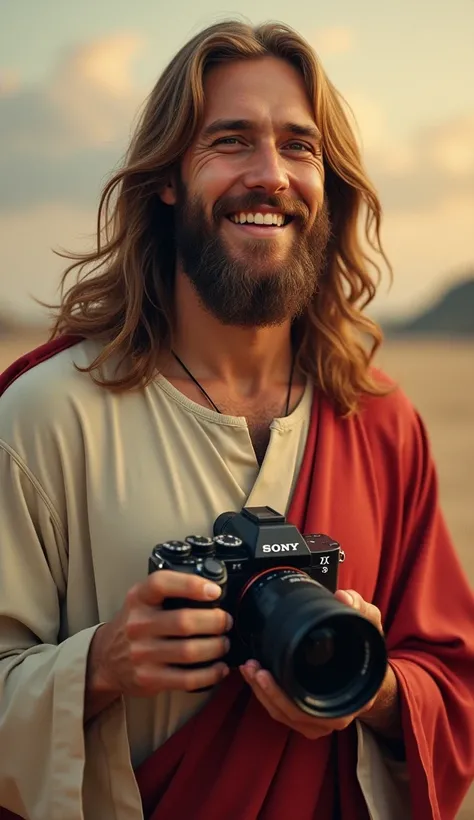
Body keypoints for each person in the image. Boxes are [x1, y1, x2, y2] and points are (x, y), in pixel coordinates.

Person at [0, 19, 473, 820]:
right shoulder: (46, 417)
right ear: (169, 178)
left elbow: (454, 691)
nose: (272, 175)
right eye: (231, 141)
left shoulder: (382, 423)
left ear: (330, 186)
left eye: (300, 146)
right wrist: (101, 665)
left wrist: (371, 684)